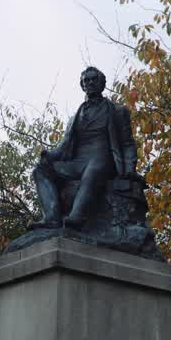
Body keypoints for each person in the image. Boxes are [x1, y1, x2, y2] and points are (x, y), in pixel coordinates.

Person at [30, 66, 137, 229]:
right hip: (78, 162)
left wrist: (129, 169)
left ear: (102, 83)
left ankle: (77, 217)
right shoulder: (74, 118)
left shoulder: (118, 111)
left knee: (92, 171)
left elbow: (127, 143)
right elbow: (64, 146)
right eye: (86, 80)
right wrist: (49, 156)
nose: (90, 82)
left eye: (94, 79)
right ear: (82, 85)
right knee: (40, 170)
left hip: (103, 158)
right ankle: (52, 218)